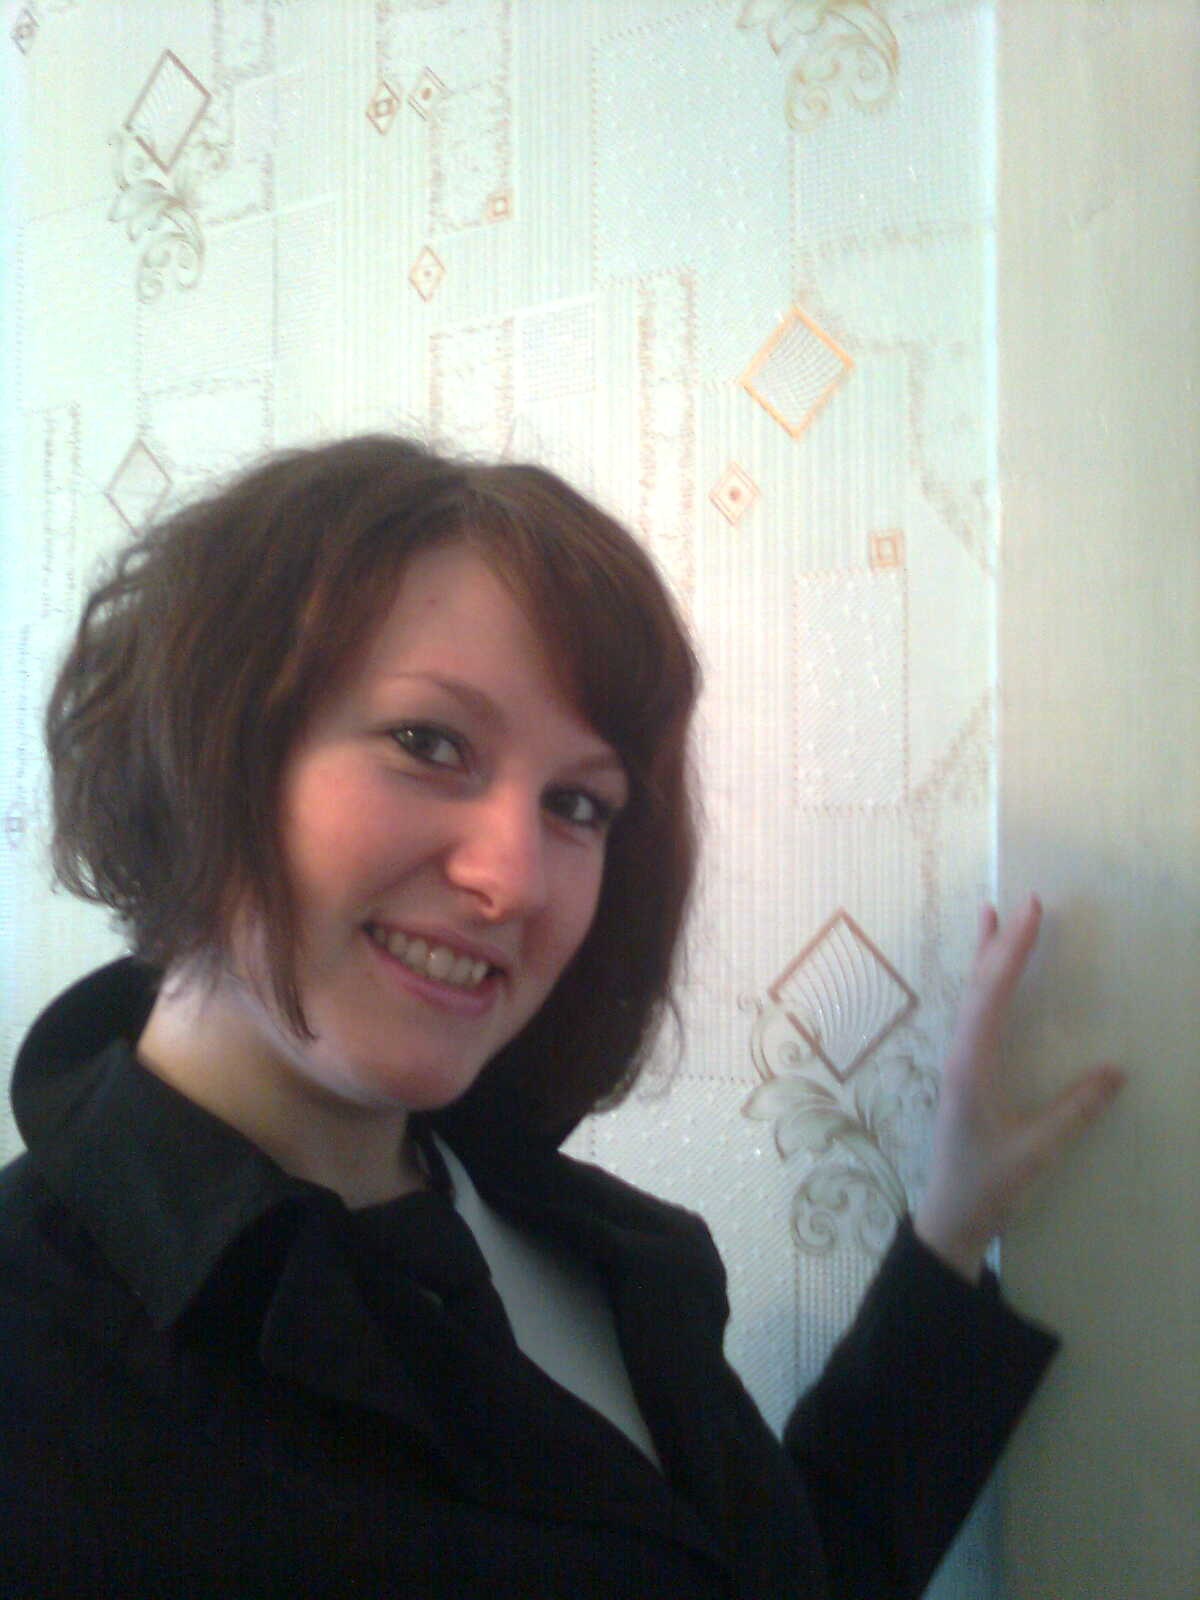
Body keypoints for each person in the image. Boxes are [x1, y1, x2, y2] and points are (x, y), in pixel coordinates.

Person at [0, 435, 1123, 1598]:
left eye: (578, 803)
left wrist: (953, 1226)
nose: (517, 879)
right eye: (428, 742)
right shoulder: (34, 1374)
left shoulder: (573, 1237)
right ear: (204, 738)